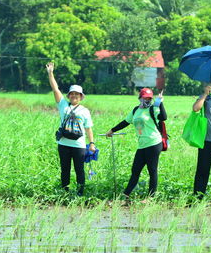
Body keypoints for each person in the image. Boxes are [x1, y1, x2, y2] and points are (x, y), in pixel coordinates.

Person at [106, 88, 167, 198]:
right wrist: (112, 130)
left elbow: (164, 117)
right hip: (142, 145)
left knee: (152, 170)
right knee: (135, 170)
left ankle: (151, 197)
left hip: (153, 143)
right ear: (140, 98)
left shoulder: (153, 108)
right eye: (145, 98)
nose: (147, 100)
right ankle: (126, 194)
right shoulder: (135, 110)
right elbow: (125, 122)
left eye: (149, 98)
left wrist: (161, 102)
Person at [46, 62, 95, 196]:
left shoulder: (85, 111)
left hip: (79, 145)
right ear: (69, 95)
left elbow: (89, 128)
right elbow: (55, 89)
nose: (74, 96)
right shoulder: (63, 105)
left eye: (77, 94)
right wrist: (50, 73)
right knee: (65, 169)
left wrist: (91, 143)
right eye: (72, 94)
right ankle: (65, 192)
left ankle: (80, 193)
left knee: (80, 170)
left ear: (81, 97)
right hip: (63, 144)